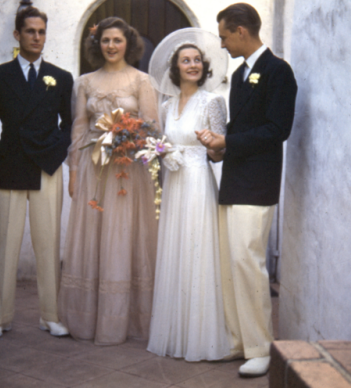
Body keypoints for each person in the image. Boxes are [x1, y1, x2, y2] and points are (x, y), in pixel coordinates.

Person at [196, 3, 297, 376]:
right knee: (232, 264)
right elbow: (239, 131)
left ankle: (261, 347)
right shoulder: (239, 77)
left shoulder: (278, 71)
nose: (222, 44)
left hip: (258, 183)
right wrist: (219, 148)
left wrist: (229, 141)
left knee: (249, 263)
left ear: (241, 30)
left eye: (224, 36)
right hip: (235, 179)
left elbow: (277, 130)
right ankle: (240, 342)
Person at [58, 17, 159, 345]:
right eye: (105, 40)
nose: (111, 46)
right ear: (96, 44)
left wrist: (127, 136)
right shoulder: (85, 82)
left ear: (128, 43)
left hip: (128, 170)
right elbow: (78, 127)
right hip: (94, 168)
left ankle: (126, 320)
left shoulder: (142, 80)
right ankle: (90, 318)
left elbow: (152, 128)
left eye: (117, 40)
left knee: (124, 235)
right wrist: (73, 172)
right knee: (96, 234)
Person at [0, 6, 73, 339]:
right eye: (30, 31)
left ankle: (50, 316)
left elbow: (71, 125)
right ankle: (0, 317)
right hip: (9, 167)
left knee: (49, 245)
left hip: (47, 168)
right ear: (17, 35)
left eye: (42, 31)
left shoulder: (61, 77)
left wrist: (56, 155)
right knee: (6, 245)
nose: (37, 37)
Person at [146, 28, 231, 362]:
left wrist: (210, 147)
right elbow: (162, 144)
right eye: (186, 60)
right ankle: (174, 331)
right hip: (174, 184)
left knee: (198, 252)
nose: (193, 65)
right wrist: (164, 153)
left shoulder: (213, 102)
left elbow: (221, 151)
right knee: (176, 251)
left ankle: (200, 337)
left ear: (204, 66)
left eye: (197, 60)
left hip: (197, 183)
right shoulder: (166, 106)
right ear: (176, 67)